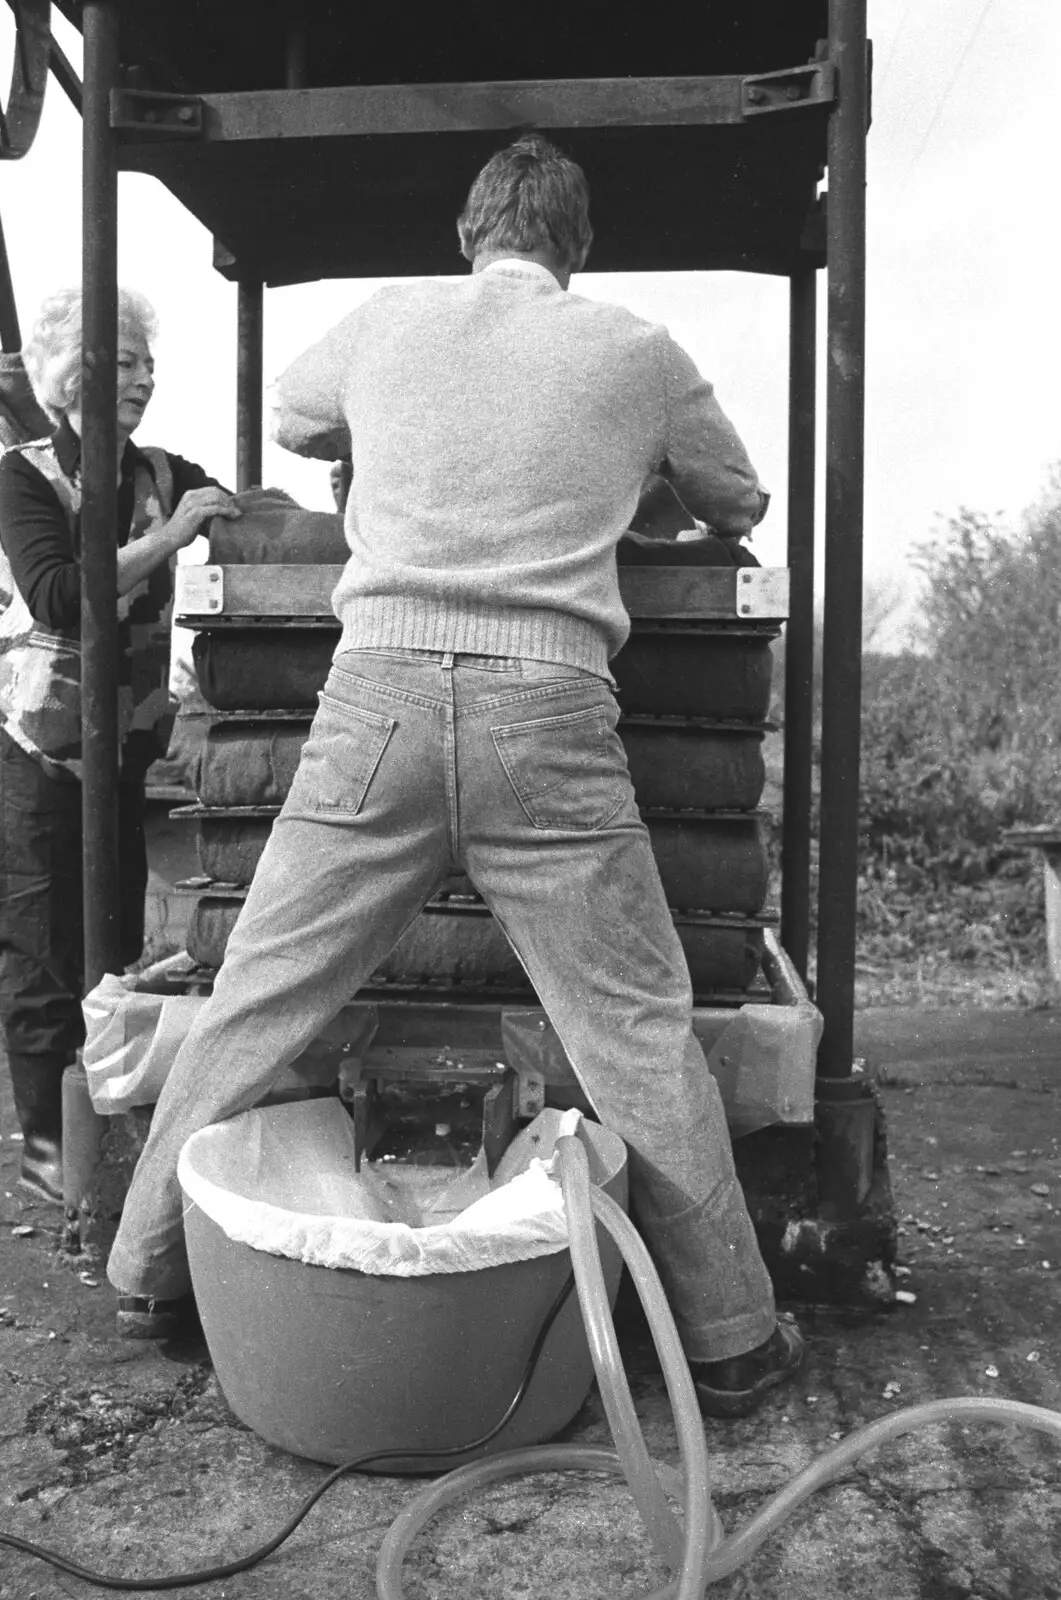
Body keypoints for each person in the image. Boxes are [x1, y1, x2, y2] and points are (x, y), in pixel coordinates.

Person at [106, 135, 804, 1417]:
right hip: (549, 711)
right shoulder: (636, 349)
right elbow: (739, 495)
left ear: (470, 236)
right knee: (635, 1028)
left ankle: (149, 1271)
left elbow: (293, 416)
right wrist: (626, 472)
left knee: (259, 991)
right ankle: (732, 1340)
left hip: (371, 699)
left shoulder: (387, 321)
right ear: (575, 248)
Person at [0, 287, 240, 1204]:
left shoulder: (160, 474)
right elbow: (61, 594)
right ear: (71, 378)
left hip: (125, 754)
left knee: (114, 954)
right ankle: (49, 1164)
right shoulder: (21, 476)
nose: (144, 377)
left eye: (146, 363)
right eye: (124, 363)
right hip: (36, 751)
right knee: (40, 960)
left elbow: (238, 507)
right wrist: (175, 537)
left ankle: (100, 1149)